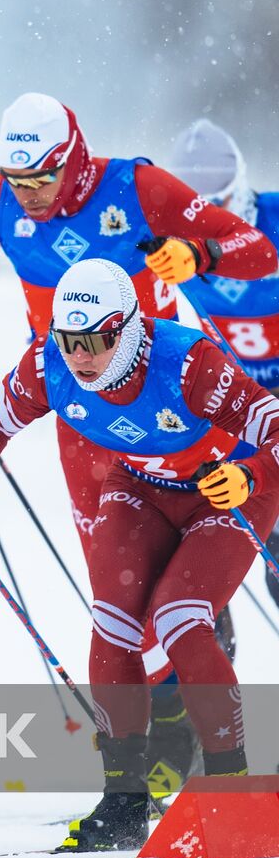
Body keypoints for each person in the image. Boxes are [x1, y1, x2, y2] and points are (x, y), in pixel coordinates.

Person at [0, 92, 276, 795]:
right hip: (82, 415)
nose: (31, 195)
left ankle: (207, 705)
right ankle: (161, 748)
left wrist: (194, 252)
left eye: (43, 177)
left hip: (171, 396)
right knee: (118, 601)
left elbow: (255, 249)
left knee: (180, 597)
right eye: (16, 180)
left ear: (72, 157)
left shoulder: (135, 189)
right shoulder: (2, 205)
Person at [0, 258, 279, 851]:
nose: (80, 356)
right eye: (69, 340)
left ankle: (231, 788)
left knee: (181, 620)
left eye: (96, 341)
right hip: (141, 488)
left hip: (221, 491)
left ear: (128, 328)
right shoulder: (46, 363)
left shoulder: (187, 361)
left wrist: (249, 475)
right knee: (113, 626)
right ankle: (125, 802)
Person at [170, 117, 279, 612]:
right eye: (200, 211)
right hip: (233, 405)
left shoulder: (272, 219)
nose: (214, 220)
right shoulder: (174, 247)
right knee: (202, 561)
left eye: (225, 204)